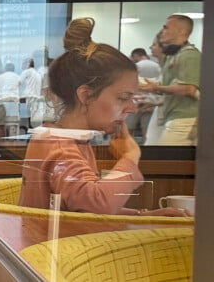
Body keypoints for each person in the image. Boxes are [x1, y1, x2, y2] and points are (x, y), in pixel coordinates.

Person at [18, 18, 188, 217]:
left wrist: (144, 216)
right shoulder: (60, 146)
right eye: (123, 98)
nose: (132, 108)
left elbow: (81, 209)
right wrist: (130, 157)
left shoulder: (67, 139)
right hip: (52, 247)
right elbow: (97, 204)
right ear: (85, 95)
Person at [140, 15, 200, 145]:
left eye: (166, 28)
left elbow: (188, 88)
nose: (162, 31)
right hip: (173, 116)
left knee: (165, 159)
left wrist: (156, 88)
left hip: (184, 118)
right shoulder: (174, 56)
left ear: (181, 31)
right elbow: (169, 86)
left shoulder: (189, 55)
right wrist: (152, 93)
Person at [127, 47, 162, 140]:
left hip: (136, 101)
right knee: (147, 131)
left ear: (136, 56)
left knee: (128, 130)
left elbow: (129, 82)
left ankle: (129, 152)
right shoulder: (158, 66)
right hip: (152, 102)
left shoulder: (135, 66)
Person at [0, 63, 20, 138]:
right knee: (13, 124)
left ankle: (0, 144)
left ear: (5, 69)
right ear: (13, 69)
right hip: (14, 101)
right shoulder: (18, 77)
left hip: (3, 101)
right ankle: (12, 144)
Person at [20, 58, 42, 129]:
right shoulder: (38, 74)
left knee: (26, 119)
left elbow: (19, 83)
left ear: (28, 64)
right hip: (37, 99)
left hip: (28, 98)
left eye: (23, 63)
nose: (22, 66)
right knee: (33, 119)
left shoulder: (26, 72)